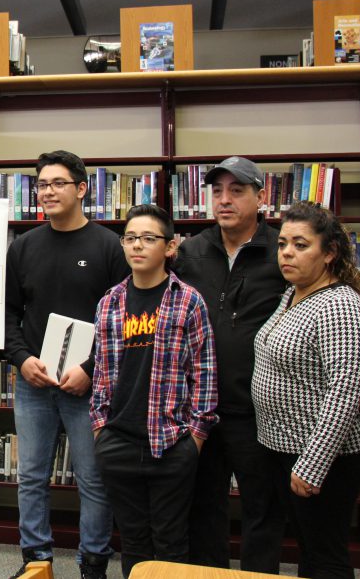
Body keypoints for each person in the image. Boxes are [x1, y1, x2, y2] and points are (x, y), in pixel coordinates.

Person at [4, 150, 130, 579]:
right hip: (34, 384)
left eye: (58, 183)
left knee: (93, 481)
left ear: (81, 189)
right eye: (42, 184)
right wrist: (22, 361)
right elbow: (7, 315)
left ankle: (92, 564)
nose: (48, 192)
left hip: (88, 387)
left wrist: (93, 368)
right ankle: (36, 560)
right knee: (32, 477)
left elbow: (123, 322)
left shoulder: (109, 246)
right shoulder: (23, 246)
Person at [173, 156, 287, 572]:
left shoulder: (282, 250)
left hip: (257, 409)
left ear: (261, 197)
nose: (224, 200)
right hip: (199, 408)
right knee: (203, 507)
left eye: (237, 191)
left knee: (263, 508)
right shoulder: (191, 251)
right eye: (217, 191)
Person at [91, 204, 218, 578]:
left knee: (171, 540)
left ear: (170, 247)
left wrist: (195, 435)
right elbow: (100, 370)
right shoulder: (109, 302)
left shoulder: (188, 300)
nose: (138, 246)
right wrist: (100, 427)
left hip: (171, 442)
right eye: (130, 238)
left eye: (149, 238)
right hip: (118, 442)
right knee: (132, 540)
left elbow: (205, 371)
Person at [252, 201, 360, 579]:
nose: (287, 252)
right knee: (308, 549)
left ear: (330, 253)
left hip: (324, 458)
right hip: (285, 449)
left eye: (301, 245)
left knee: (326, 557)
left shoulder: (340, 306)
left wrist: (312, 466)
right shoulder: (292, 294)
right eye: (283, 243)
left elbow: (343, 394)